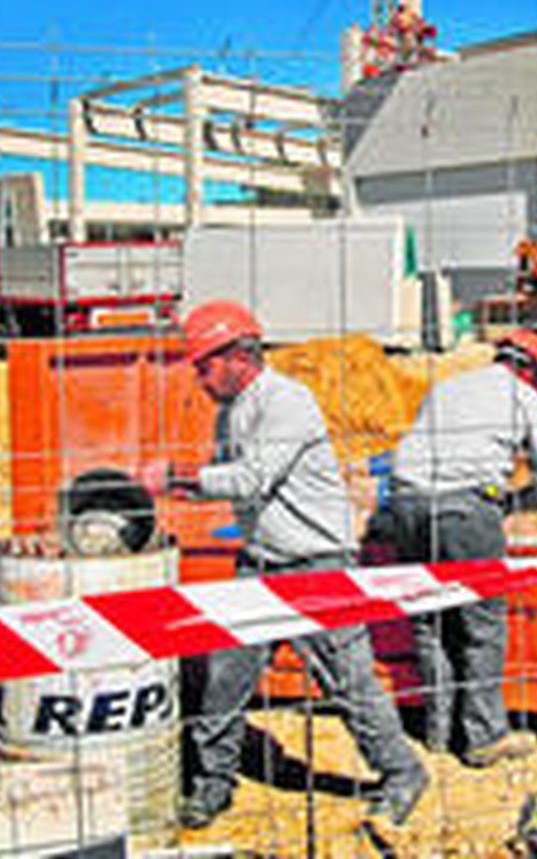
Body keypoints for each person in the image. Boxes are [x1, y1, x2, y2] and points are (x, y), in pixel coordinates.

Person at [166, 301, 428, 829]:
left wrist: (177, 475)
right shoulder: (230, 411)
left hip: (317, 565)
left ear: (240, 355)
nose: (199, 377)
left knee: (348, 682)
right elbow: (228, 478)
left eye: (205, 365)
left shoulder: (288, 401)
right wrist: (181, 487)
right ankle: (214, 783)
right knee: (226, 677)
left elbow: (252, 478)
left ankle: (402, 774)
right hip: (260, 563)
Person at [385, 329, 537, 766]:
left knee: (431, 624)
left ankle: (439, 734)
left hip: (406, 506)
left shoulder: (446, 386)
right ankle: (484, 736)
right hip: (465, 511)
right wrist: (511, 503)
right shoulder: (526, 400)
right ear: (533, 373)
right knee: (481, 626)